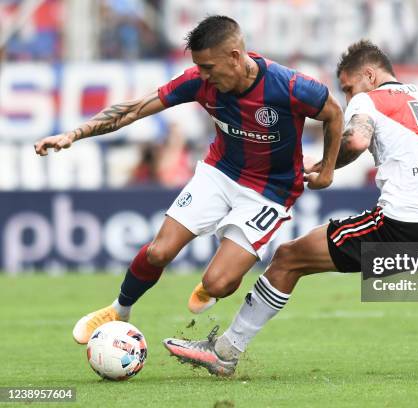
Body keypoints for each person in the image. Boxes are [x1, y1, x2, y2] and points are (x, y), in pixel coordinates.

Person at [162, 40, 418, 377]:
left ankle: (225, 352)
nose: (348, 94)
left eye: (349, 87)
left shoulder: (369, 100)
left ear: (369, 75)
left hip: (402, 222)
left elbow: (355, 138)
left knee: (289, 258)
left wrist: (327, 166)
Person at [33, 15, 343, 345]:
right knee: (158, 252)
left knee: (219, 283)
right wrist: (73, 134)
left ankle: (210, 286)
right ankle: (119, 309)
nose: (203, 75)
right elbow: (134, 109)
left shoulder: (290, 86)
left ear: (235, 57)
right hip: (219, 173)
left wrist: (327, 170)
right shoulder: (199, 81)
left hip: (270, 191)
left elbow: (333, 113)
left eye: (208, 66)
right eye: (199, 66)